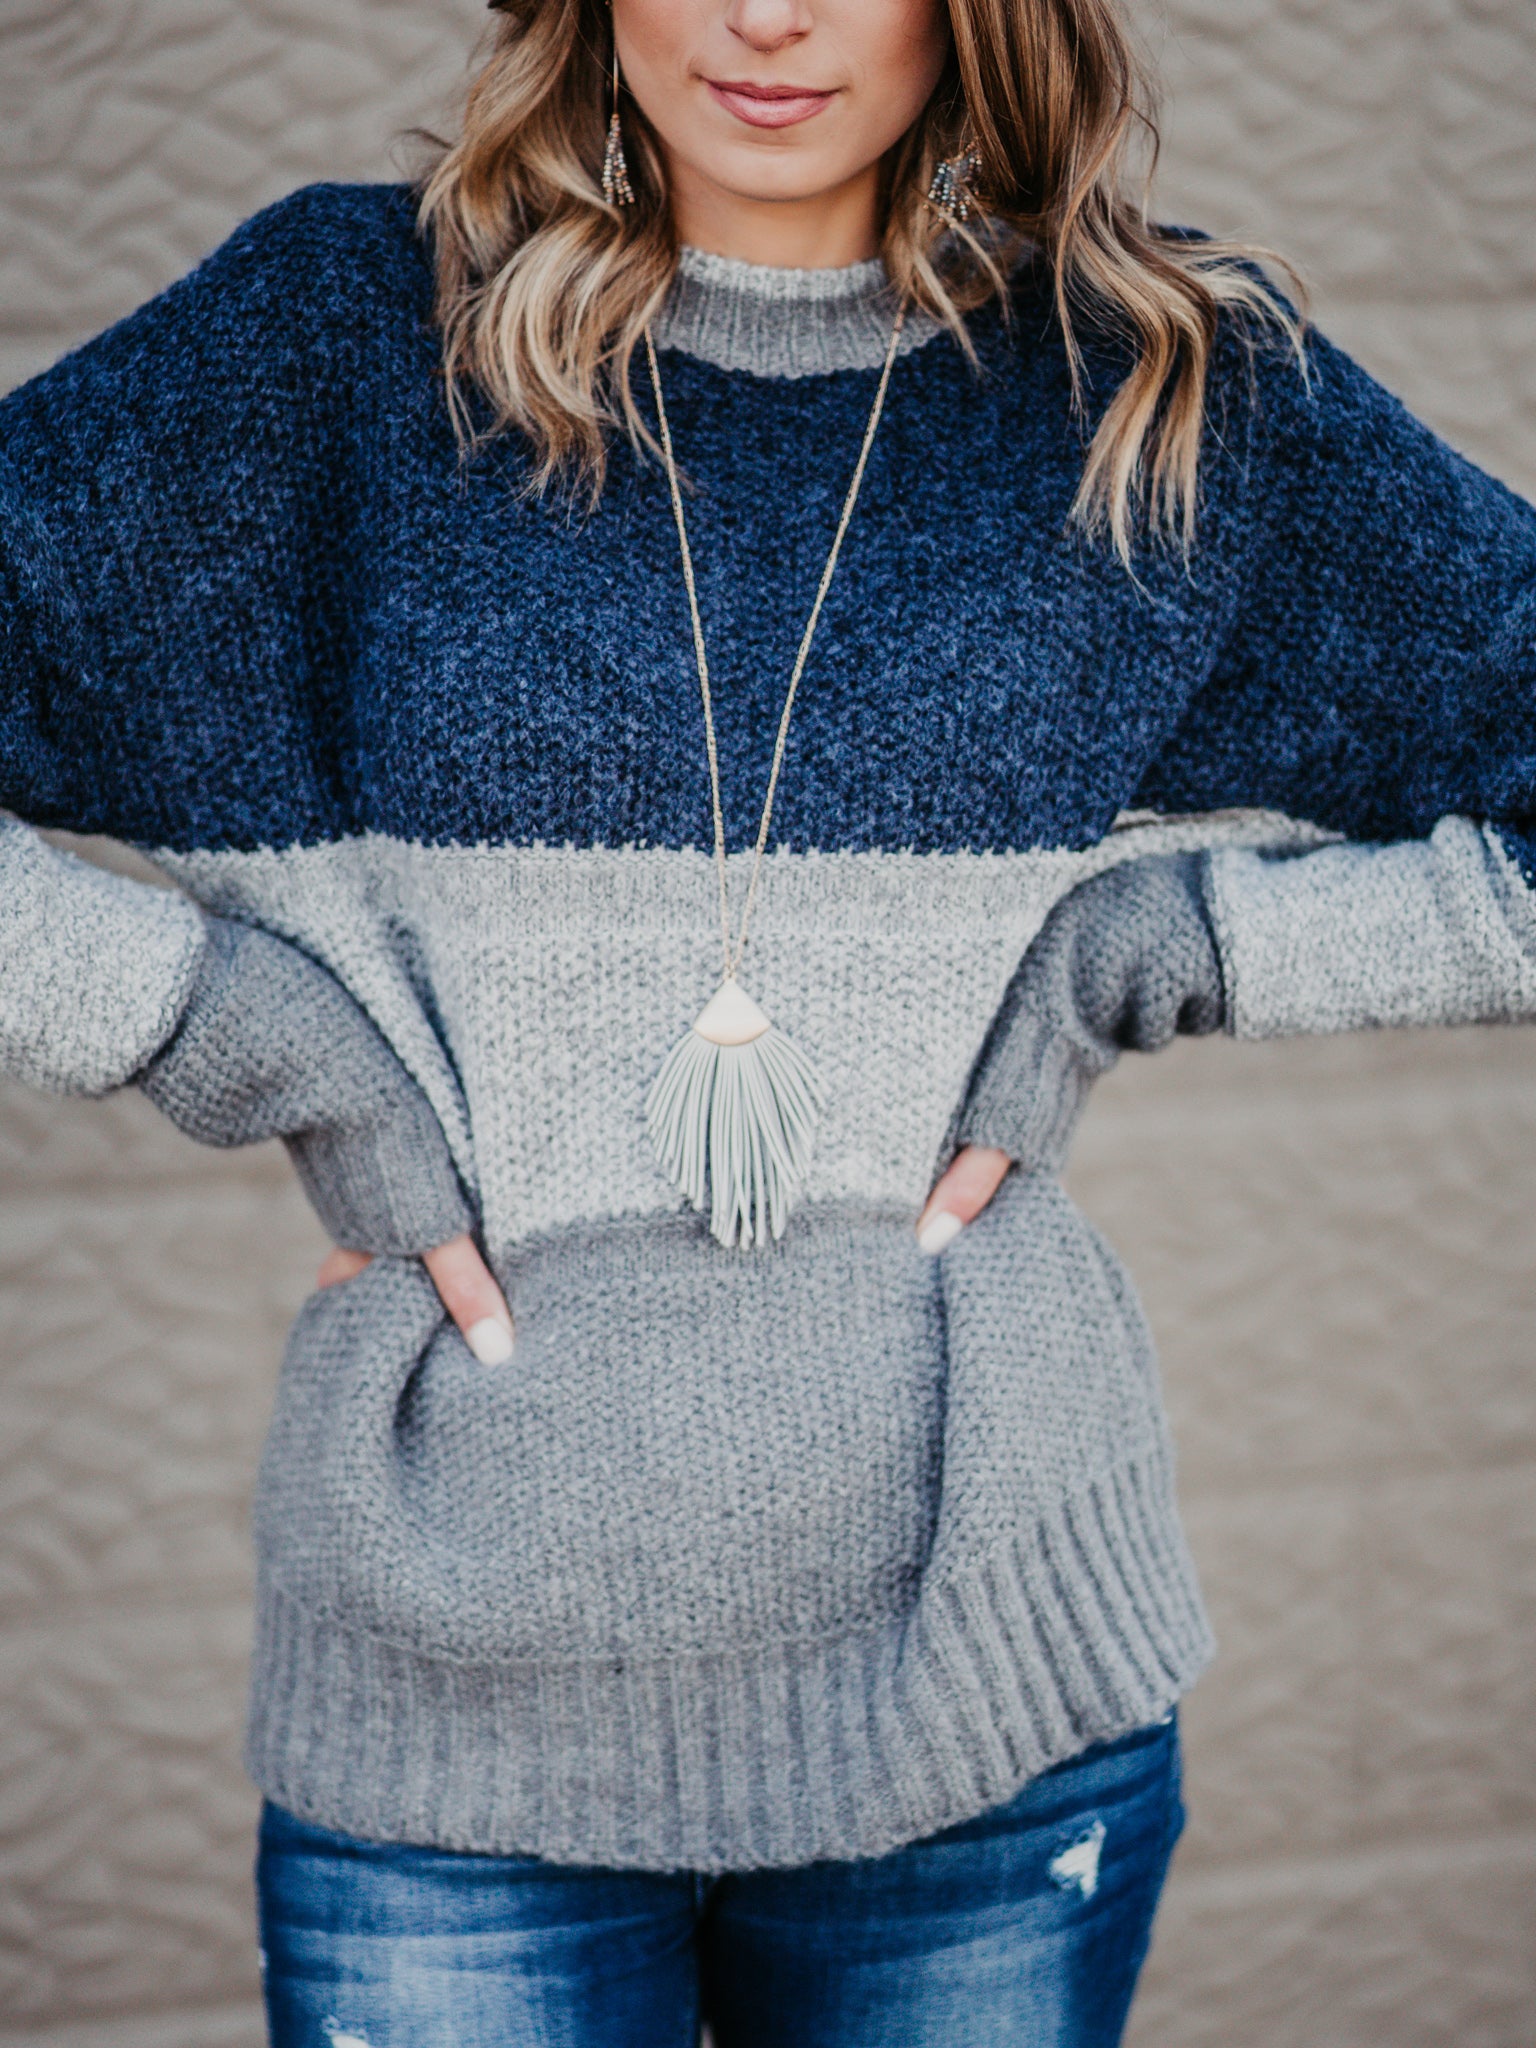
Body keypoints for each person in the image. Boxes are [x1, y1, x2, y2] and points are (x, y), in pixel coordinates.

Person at [2, 0, 1533, 2041]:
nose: (768, 15)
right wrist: (204, 1014)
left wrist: (1179, 943)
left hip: (986, 1709)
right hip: (454, 1732)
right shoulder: (334, 344)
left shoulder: (1160, 399)